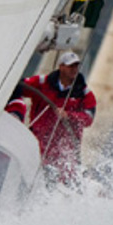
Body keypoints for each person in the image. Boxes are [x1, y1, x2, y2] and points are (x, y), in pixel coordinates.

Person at [12, 51, 96, 182]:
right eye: (70, 66)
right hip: (37, 143)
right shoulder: (42, 82)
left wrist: (69, 115)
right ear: (61, 67)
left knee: (57, 182)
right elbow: (17, 88)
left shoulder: (85, 94)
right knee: (23, 176)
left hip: (63, 151)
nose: (74, 69)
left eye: (76, 66)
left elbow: (88, 119)